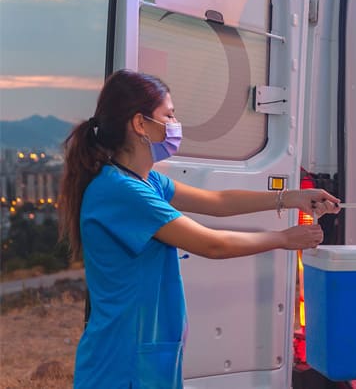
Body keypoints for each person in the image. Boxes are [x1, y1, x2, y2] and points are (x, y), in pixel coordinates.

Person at [58, 69, 340, 388]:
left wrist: (292, 197)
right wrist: (284, 239)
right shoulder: (122, 192)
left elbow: (217, 201)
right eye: (169, 115)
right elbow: (211, 245)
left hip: (142, 355)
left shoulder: (146, 182)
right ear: (140, 124)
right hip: (121, 362)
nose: (175, 124)